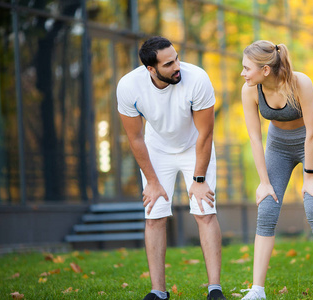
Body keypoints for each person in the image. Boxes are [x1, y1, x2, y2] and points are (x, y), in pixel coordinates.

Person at [117, 36, 226, 300]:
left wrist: (198, 180)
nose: (177, 66)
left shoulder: (197, 79)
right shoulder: (129, 87)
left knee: (205, 211)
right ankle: (158, 292)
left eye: (176, 58)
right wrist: (152, 181)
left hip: (194, 147)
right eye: (169, 64)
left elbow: (206, 134)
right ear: (151, 69)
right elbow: (135, 138)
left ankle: (214, 289)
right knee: (154, 215)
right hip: (157, 149)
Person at [239, 40, 313, 300]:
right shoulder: (250, 90)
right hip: (278, 147)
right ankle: (257, 290)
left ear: (265, 70)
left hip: (311, 143)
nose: (243, 73)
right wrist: (264, 182)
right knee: (267, 208)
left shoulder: (300, 83)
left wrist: (308, 178)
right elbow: (254, 138)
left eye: (246, 68)